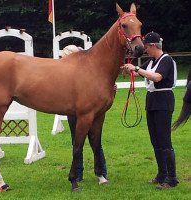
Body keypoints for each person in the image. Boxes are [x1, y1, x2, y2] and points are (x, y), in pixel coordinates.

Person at [121, 32, 179, 189]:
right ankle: (162, 174)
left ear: (153, 46)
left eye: (146, 47)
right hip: (152, 100)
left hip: (163, 99)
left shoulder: (166, 60)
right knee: (155, 140)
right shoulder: (153, 60)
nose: (145, 50)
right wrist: (128, 68)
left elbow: (157, 77)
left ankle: (172, 178)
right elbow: (138, 71)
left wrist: (137, 68)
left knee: (164, 140)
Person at [61, 45, 113, 184]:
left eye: (65, 56)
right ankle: (80, 173)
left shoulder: (90, 74)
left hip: (90, 111)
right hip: (74, 112)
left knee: (95, 141)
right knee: (78, 141)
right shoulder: (66, 76)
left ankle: (100, 172)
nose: (63, 60)